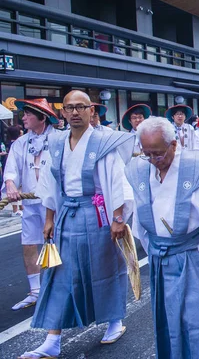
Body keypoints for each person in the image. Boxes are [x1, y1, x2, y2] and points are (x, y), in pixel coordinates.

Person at [20, 91, 134, 359]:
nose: (74, 112)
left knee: (105, 268)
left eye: (80, 107)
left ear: (91, 110)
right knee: (58, 274)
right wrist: (49, 218)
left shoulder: (103, 142)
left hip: (97, 214)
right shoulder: (57, 142)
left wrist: (117, 218)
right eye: (69, 108)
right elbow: (49, 184)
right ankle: (52, 339)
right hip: (66, 215)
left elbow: (116, 181)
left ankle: (115, 320)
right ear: (62, 112)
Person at [127, 117, 199, 358]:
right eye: (147, 154)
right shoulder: (141, 169)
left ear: (174, 144)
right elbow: (140, 214)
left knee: (196, 317)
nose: (153, 160)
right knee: (166, 316)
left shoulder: (195, 169)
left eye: (158, 153)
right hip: (161, 256)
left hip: (192, 256)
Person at [2, 99, 58, 311]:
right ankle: (35, 291)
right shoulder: (20, 143)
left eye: (27, 114)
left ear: (42, 117)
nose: (23, 118)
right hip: (30, 202)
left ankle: (56, 287)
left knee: (55, 243)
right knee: (28, 244)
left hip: (52, 202)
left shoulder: (59, 139)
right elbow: (12, 169)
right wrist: (10, 184)